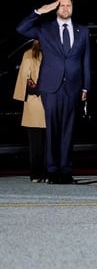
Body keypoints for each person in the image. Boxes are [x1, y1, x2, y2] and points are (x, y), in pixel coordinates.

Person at [16, 0, 91, 184]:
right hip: (51, 86)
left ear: (73, 8)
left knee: (69, 129)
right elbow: (21, 28)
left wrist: (85, 86)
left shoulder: (82, 31)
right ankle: (52, 171)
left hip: (73, 87)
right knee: (52, 129)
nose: (65, 8)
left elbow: (85, 61)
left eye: (68, 5)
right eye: (61, 5)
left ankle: (65, 170)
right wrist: (40, 11)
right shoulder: (45, 29)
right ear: (56, 8)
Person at [12, 40, 46, 182]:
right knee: (49, 142)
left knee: (35, 143)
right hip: (48, 102)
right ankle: (47, 173)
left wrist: (32, 88)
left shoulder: (28, 55)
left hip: (34, 102)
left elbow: (23, 80)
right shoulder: (53, 53)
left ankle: (36, 174)